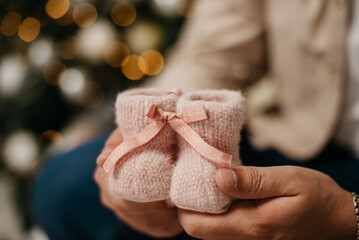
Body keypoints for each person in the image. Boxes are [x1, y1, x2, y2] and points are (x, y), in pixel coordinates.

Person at [33, 0, 359, 239]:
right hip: (301, 137)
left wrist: (350, 217)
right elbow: (214, 54)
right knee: (62, 188)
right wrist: (161, 108)